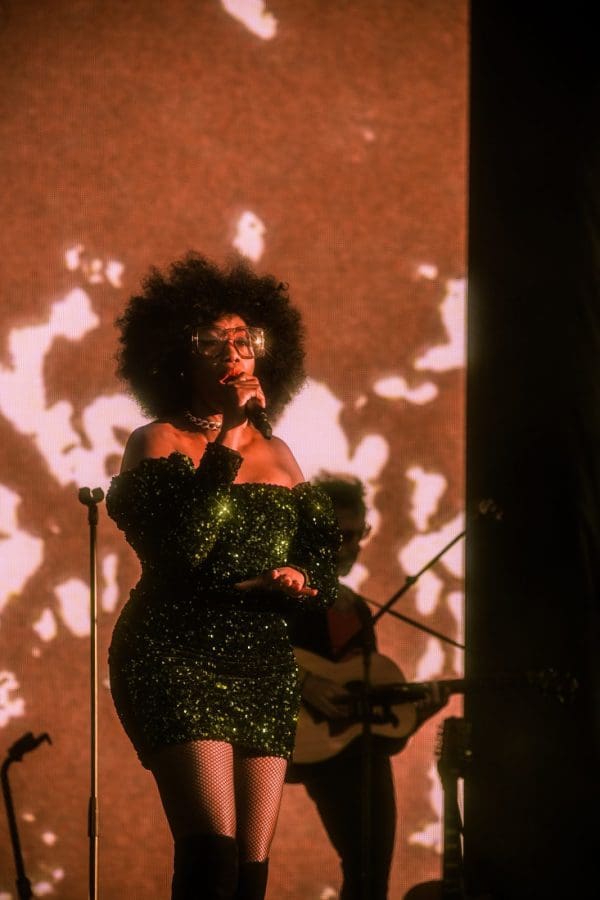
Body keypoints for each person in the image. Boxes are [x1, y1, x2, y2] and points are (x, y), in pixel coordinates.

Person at [105, 252, 340, 900]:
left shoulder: (281, 454)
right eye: (213, 342)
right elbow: (184, 552)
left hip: (263, 664)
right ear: (178, 359)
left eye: (243, 339)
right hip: (175, 654)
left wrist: (299, 575)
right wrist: (230, 436)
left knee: (249, 874)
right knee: (211, 857)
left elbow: (325, 559)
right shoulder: (156, 441)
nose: (234, 353)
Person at [286, 472, 448, 900]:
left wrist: (416, 713)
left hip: (354, 753)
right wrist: (306, 683)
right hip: (284, 741)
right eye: (341, 535)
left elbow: (364, 714)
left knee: (370, 875)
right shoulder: (280, 593)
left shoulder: (354, 606)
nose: (352, 546)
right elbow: (243, 656)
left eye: (359, 534)